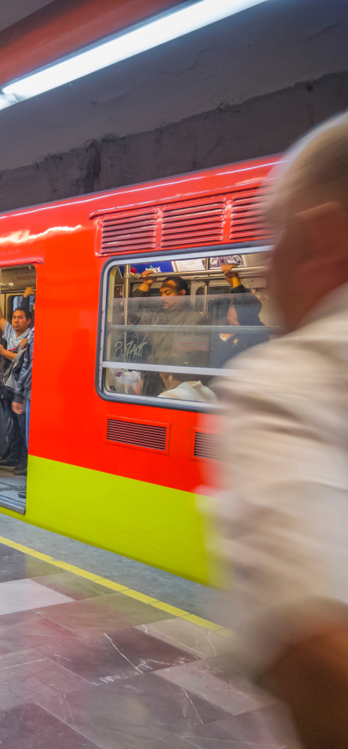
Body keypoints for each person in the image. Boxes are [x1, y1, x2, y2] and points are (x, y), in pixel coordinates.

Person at [217, 111, 348, 749]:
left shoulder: (286, 383)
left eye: (274, 238)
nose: (265, 267)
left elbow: (320, 660)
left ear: (323, 234)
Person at [0, 306, 33, 473]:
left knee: (23, 426)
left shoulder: (30, 336)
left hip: (21, 386)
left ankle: (24, 462)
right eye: (14, 317)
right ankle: (14, 455)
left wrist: (2, 352)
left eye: (20, 317)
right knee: (13, 424)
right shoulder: (10, 331)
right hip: (8, 385)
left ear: (28, 321)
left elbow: (24, 360)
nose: (16, 320)